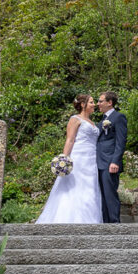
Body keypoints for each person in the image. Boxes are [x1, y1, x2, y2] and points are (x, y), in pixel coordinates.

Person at [36, 94, 102, 224]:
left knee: (90, 188)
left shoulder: (93, 123)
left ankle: (90, 221)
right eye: (91, 102)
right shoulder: (75, 119)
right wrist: (64, 159)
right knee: (74, 187)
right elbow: (70, 139)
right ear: (83, 105)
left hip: (91, 159)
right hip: (78, 157)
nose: (94, 105)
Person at [95, 91, 128, 223]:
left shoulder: (119, 117)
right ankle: (106, 223)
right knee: (102, 194)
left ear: (110, 103)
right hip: (98, 162)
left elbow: (121, 141)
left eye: (101, 101)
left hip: (110, 163)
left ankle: (115, 223)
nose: (98, 104)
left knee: (110, 194)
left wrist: (115, 161)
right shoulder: (102, 120)